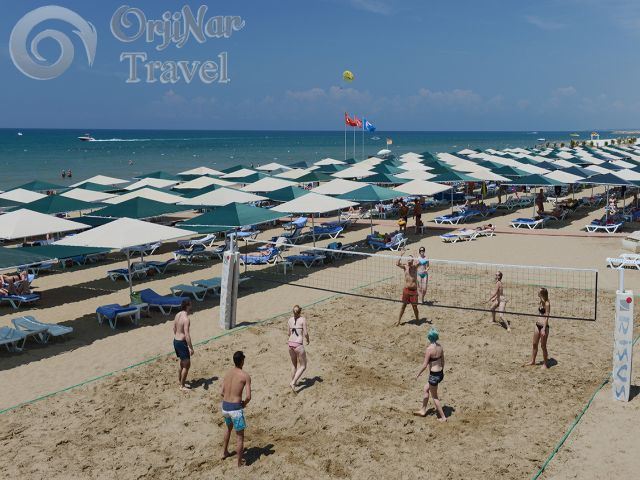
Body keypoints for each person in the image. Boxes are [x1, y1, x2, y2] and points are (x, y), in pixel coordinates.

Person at [221, 351, 252, 467]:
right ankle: (239, 463)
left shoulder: (227, 373)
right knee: (240, 436)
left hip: (225, 407)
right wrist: (243, 404)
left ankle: (224, 452)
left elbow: (221, 392)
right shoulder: (245, 376)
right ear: (242, 361)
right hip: (235, 409)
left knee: (228, 428)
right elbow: (248, 397)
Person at [414, 328, 447, 421]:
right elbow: (443, 361)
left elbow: (425, 365)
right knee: (426, 388)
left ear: (429, 337)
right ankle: (423, 410)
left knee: (435, 397)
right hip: (440, 373)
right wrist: (441, 372)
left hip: (434, 375)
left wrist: (418, 374)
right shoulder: (440, 347)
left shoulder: (429, 349)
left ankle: (443, 417)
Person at [173, 299, 194, 391]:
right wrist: (190, 347)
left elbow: (174, 328)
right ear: (187, 306)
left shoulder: (178, 314)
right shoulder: (186, 319)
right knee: (187, 365)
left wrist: (177, 336)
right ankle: (182, 386)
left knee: (182, 362)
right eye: (190, 305)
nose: (192, 306)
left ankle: (179, 380)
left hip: (175, 341)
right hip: (181, 343)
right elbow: (187, 335)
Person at [287, 305, 310, 393]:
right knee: (303, 366)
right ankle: (293, 382)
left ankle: (293, 383)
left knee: (294, 364)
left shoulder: (290, 320)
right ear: (300, 311)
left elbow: (288, 333)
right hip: (298, 344)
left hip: (290, 344)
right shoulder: (303, 319)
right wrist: (308, 339)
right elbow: (306, 333)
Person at [526, 288, 550, 368]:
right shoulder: (541, 301)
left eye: (539, 292)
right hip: (537, 325)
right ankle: (533, 361)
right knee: (534, 344)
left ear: (542, 294)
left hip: (544, 327)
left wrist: (543, 329)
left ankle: (545, 364)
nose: (537, 292)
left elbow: (547, 317)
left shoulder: (547, 303)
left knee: (543, 346)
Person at [396, 249, 420, 326]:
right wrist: (401, 254)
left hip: (414, 291)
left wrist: (415, 256)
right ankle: (398, 321)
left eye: (410, 258)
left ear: (412, 260)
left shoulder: (415, 267)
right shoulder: (405, 267)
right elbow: (397, 263)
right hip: (406, 290)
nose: (409, 259)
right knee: (403, 306)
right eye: (408, 258)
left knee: (415, 307)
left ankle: (417, 320)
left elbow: (419, 263)